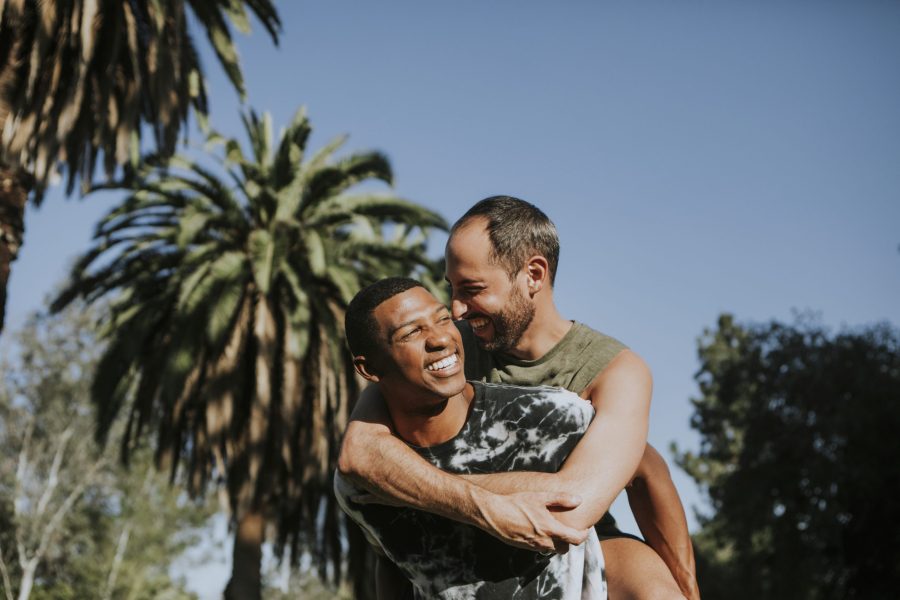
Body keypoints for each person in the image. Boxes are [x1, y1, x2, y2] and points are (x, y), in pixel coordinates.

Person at [339, 197, 698, 599]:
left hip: (576, 544)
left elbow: (581, 502)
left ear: (533, 274)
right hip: (445, 543)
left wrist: (414, 488)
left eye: (472, 289)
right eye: (451, 290)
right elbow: (361, 455)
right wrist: (448, 499)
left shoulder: (614, 372)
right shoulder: (447, 352)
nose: (455, 310)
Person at [335, 277, 607, 599]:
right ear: (369, 369)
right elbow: (393, 561)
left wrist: (679, 581)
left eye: (442, 319)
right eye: (411, 332)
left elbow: (643, 467)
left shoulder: (545, 417)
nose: (439, 338)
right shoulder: (362, 485)